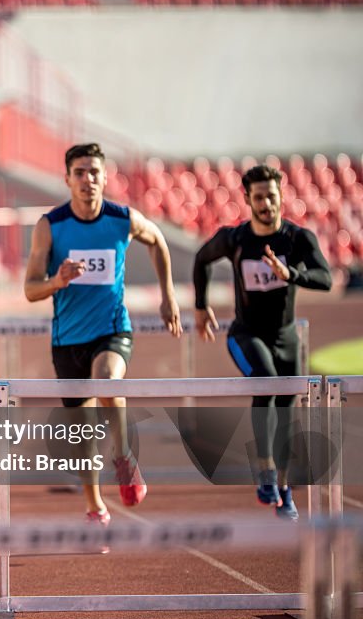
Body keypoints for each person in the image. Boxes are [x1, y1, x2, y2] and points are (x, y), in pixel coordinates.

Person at [24, 143, 182, 530]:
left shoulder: (122, 219)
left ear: (105, 177)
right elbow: (30, 289)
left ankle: (125, 457)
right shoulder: (51, 225)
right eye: (80, 172)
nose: (88, 179)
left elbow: (159, 240)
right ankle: (95, 506)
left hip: (112, 330)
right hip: (67, 341)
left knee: (108, 380)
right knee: (83, 434)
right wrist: (57, 280)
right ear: (67, 179)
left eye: (94, 172)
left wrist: (168, 296)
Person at [193, 164, 331, 521]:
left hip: (286, 338)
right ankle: (265, 469)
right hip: (246, 334)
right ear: (248, 199)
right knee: (266, 383)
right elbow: (201, 260)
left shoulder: (297, 239)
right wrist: (200, 306)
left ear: (281, 195)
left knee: (287, 407)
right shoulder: (236, 239)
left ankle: (284, 489)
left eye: (271, 195)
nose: (266, 203)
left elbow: (325, 278)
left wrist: (292, 274)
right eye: (259, 197)